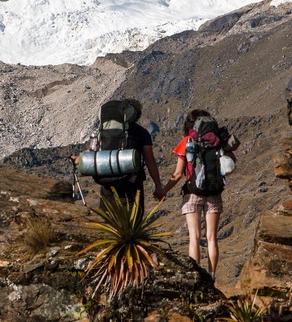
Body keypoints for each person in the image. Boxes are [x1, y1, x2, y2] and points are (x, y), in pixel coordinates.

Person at [158, 109, 232, 276]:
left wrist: (163, 190)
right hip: (214, 193)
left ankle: (196, 276)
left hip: (192, 194)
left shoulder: (187, 142)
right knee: (212, 238)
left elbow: (177, 174)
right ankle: (212, 275)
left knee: (194, 238)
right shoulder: (216, 141)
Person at [73, 98, 166, 220]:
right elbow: (150, 160)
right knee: (131, 224)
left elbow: (91, 152)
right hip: (131, 186)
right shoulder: (140, 133)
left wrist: (78, 159)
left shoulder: (103, 133)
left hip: (107, 185)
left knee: (109, 222)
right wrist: (158, 186)